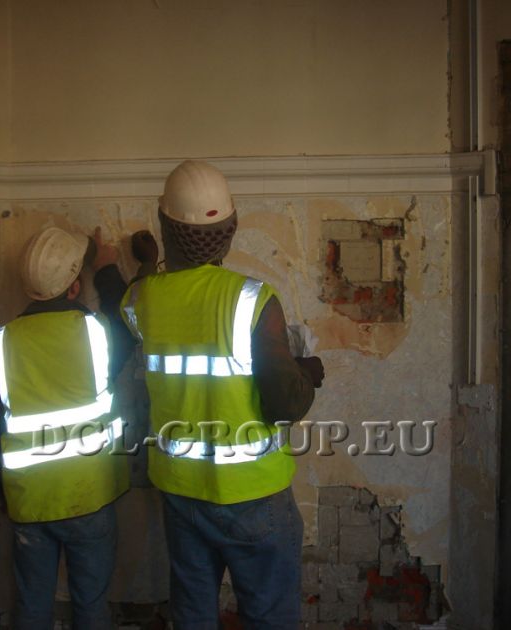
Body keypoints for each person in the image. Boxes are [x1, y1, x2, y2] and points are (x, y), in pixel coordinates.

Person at [120, 160, 325, 629]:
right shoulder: (253, 300)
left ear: (165, 227)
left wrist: (150, 263)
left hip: (181, 494)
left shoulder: (142, 299)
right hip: (253, 497)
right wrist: (308, 371)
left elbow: (136, 302)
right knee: (268, 617)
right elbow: (286, 403)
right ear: (230, 230)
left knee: (193, 616)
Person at [0, 226, 129, 630]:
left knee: (32, 607)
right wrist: (108, 266)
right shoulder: (96, 331)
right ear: (75, 288)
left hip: (30, 501)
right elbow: (127, 316)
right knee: (91, 605)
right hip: (90, 494)